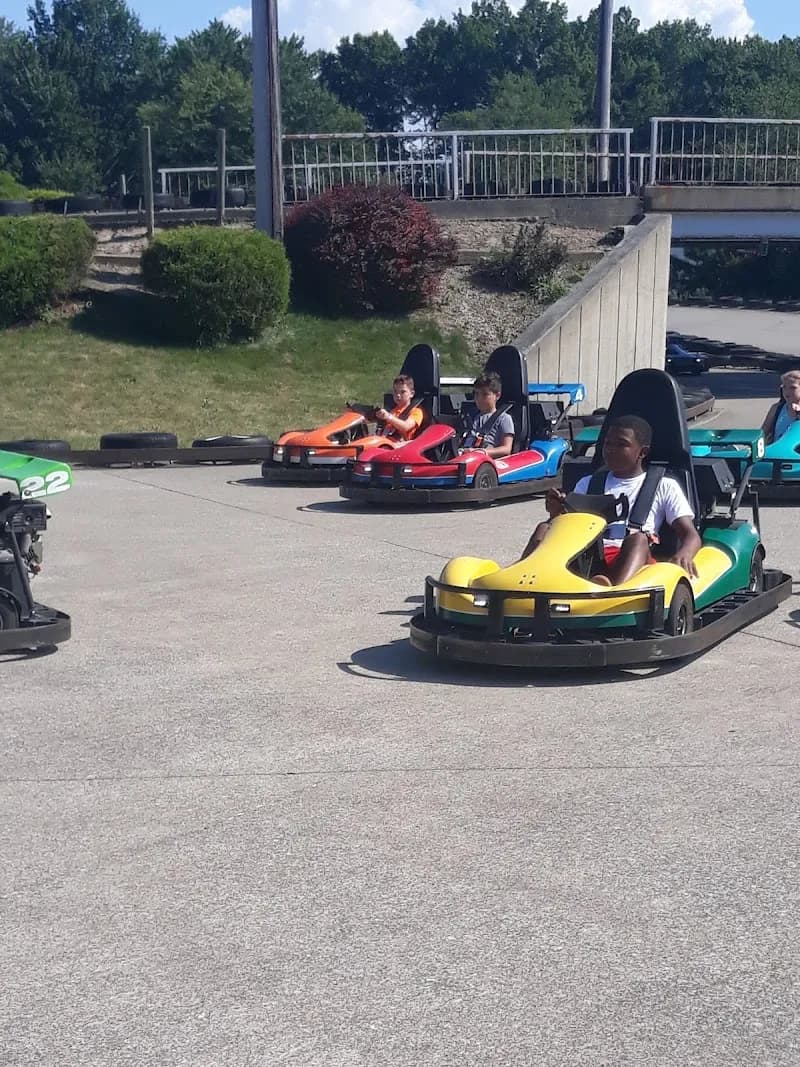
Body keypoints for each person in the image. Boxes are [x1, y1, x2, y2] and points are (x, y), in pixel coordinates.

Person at [520, 414, 701, 586]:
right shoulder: (588, 482)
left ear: (642, 452)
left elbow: (690, 535)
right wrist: (556, 513)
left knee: (638, 539)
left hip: (633, 558)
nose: (611, 450)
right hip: (587, 556)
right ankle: (521, 577)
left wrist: (685, 553)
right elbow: (565, 529)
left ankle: (614, 591)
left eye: (621, 444)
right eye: (607, 443)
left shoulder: (664, 485)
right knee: (544, 527)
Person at [459, 371, 515, 459]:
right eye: (477, 394)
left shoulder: (504, 419)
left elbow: (506, 449)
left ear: (497, 396)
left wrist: (481, 452)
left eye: (485, 394)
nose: (479, 399)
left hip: (486, 460)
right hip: (464, 455)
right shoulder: (470, 417)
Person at [375, 374, 424, 441]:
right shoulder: (393, 411)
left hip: (401, 445)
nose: (398, 395)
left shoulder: (416, 412)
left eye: (402, 392)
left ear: (411, 394)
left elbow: (406, 427)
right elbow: (386, 430)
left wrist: (389, 417)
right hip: (386, 442)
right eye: (395, 391)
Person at [762, 370, 800, 444]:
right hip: (777, 452)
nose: (787, 391)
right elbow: (763, 433)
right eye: (784, 387)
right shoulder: (776, 408)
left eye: (793, 388)